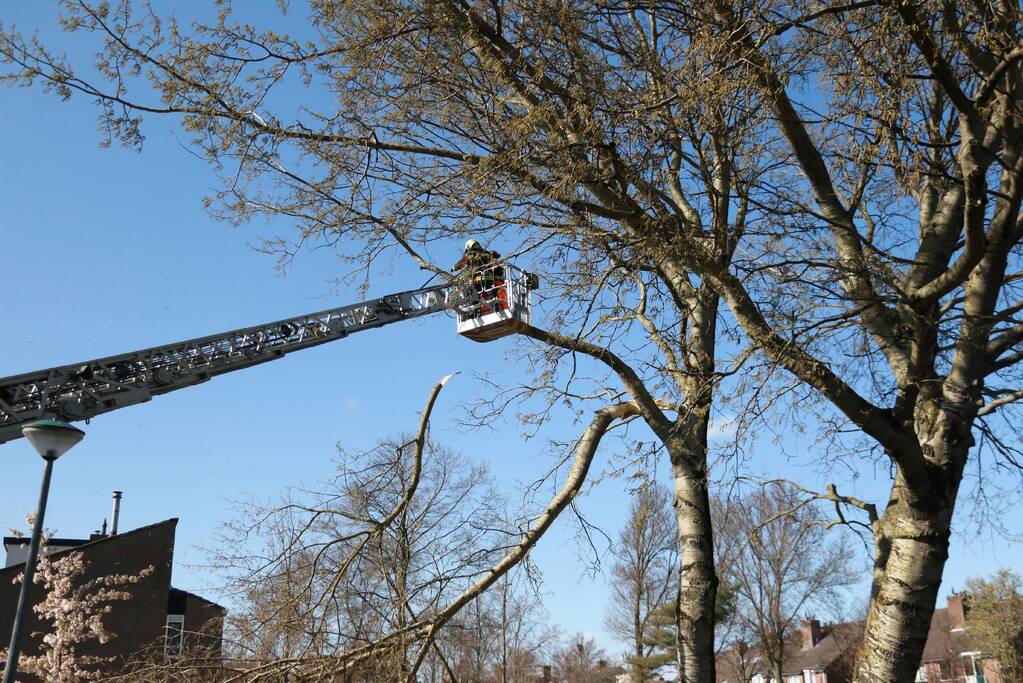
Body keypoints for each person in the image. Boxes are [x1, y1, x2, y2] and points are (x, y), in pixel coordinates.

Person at [453, 239, 506, 315]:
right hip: (489, 279)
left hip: (478, 280)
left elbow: (461, 264)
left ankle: (475, 312)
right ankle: (495, 309)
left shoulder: (469, 254)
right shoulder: (486, 253)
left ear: (468, 247)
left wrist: (453, 268)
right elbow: (496, 263)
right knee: (491, 296)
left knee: (475, 297)